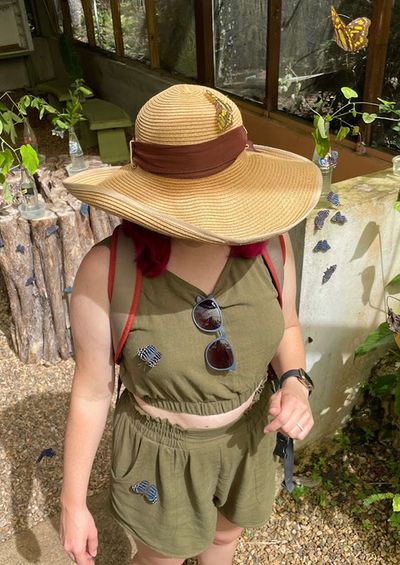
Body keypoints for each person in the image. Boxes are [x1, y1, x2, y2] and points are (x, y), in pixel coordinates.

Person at [60, 83, 322, 565]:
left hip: (249, 437)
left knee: (223, 541)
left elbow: (286, 327)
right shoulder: (107, 271)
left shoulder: (271, 247)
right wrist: (73, 503)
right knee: (163, 558)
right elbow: (93, 391)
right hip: (162, 457)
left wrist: (294, 383)